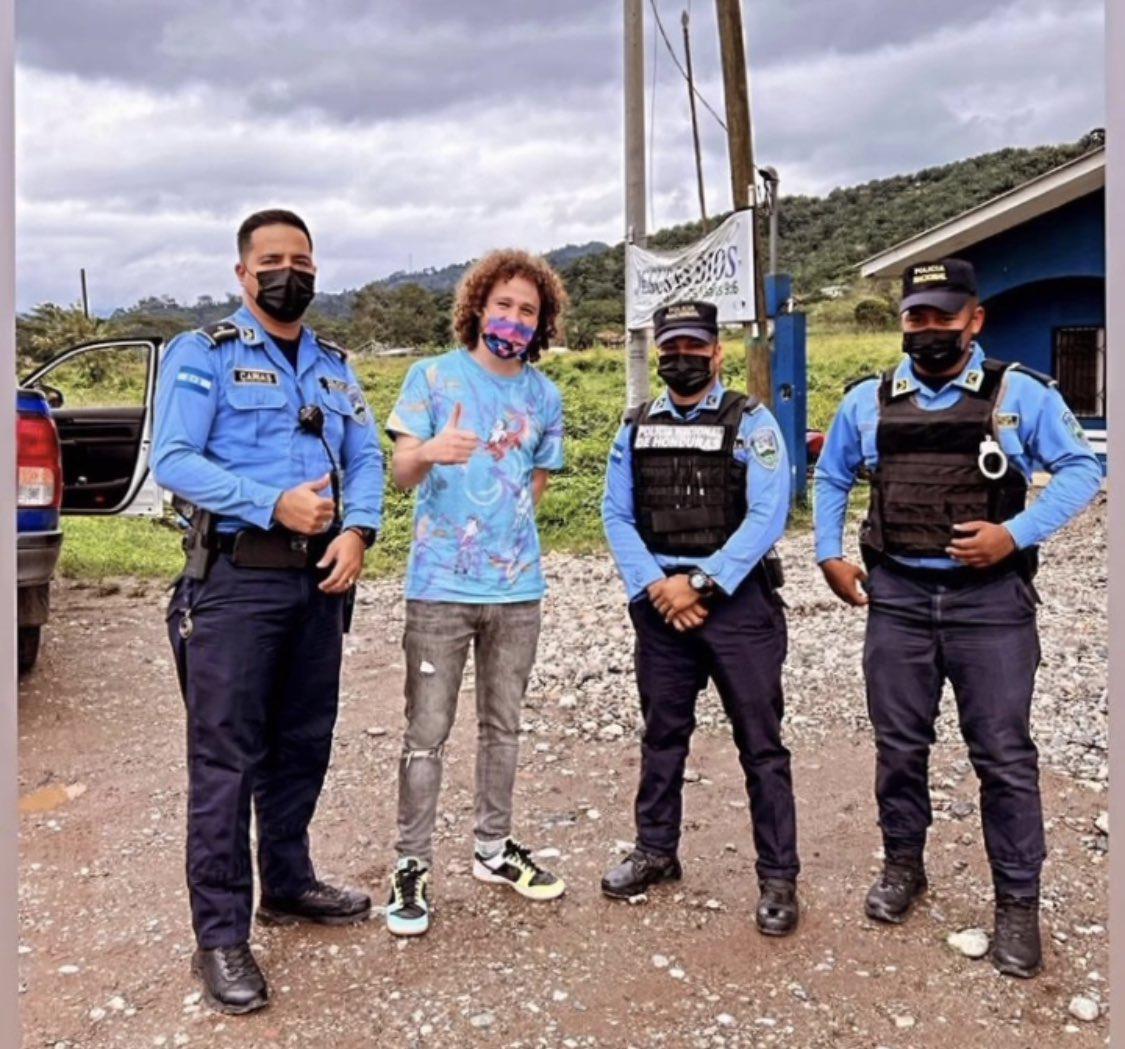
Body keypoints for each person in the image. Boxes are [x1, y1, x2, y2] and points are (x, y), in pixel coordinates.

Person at [814, 257, 1102, 978]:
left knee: (1002, 758)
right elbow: (832, 473)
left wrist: (1017, 532)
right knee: (898, 747)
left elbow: (1082, 469)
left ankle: (1016, 903)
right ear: (903, 321)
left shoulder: (1018, 395)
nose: (930, 329)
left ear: (974, 319)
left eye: (945, 315)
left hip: (991, 605)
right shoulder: (867, 402)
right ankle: (903, 868)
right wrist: (828, 552)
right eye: (917, 316)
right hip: (898, 599)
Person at [153, 209, 383, 1014]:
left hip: (319, 581)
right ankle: (219, 934)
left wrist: (359, 530)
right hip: (237, 581)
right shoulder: (205, 353)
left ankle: (286, 882)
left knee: (301, 744)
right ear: (244, 275)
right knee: (225, 763)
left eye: (303, 259)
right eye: (274, 260)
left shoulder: (333, 363)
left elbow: (365, 452)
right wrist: (267, 502)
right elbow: (174, 460)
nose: (291, 271)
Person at [382, 248, 568, 937]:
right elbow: (401, 470)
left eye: (527, 309)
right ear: (477, 307)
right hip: (438, 588)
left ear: (540, 321)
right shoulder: (430, 377)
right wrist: (429, 452)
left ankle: (493, 848)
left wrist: (502, 536)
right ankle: (412, 863)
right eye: (503, 304)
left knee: (504, 725)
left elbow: (536, 483)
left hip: (517, 589)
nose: (513, 318)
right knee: (425, 731)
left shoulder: (544, 395)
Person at [600, 299, 800, 937]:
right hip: (661, 603)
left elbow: (768, 514)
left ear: (717, 352)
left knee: (761, 746)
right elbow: (617, 515)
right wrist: (657, 586)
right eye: (670, 348)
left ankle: (778, 876)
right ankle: (656, 850)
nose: (681, 358)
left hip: (736, 604)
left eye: (694, 347)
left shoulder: (753, 422)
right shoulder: (634, 425)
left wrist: (702, 583)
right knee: (662, 737)